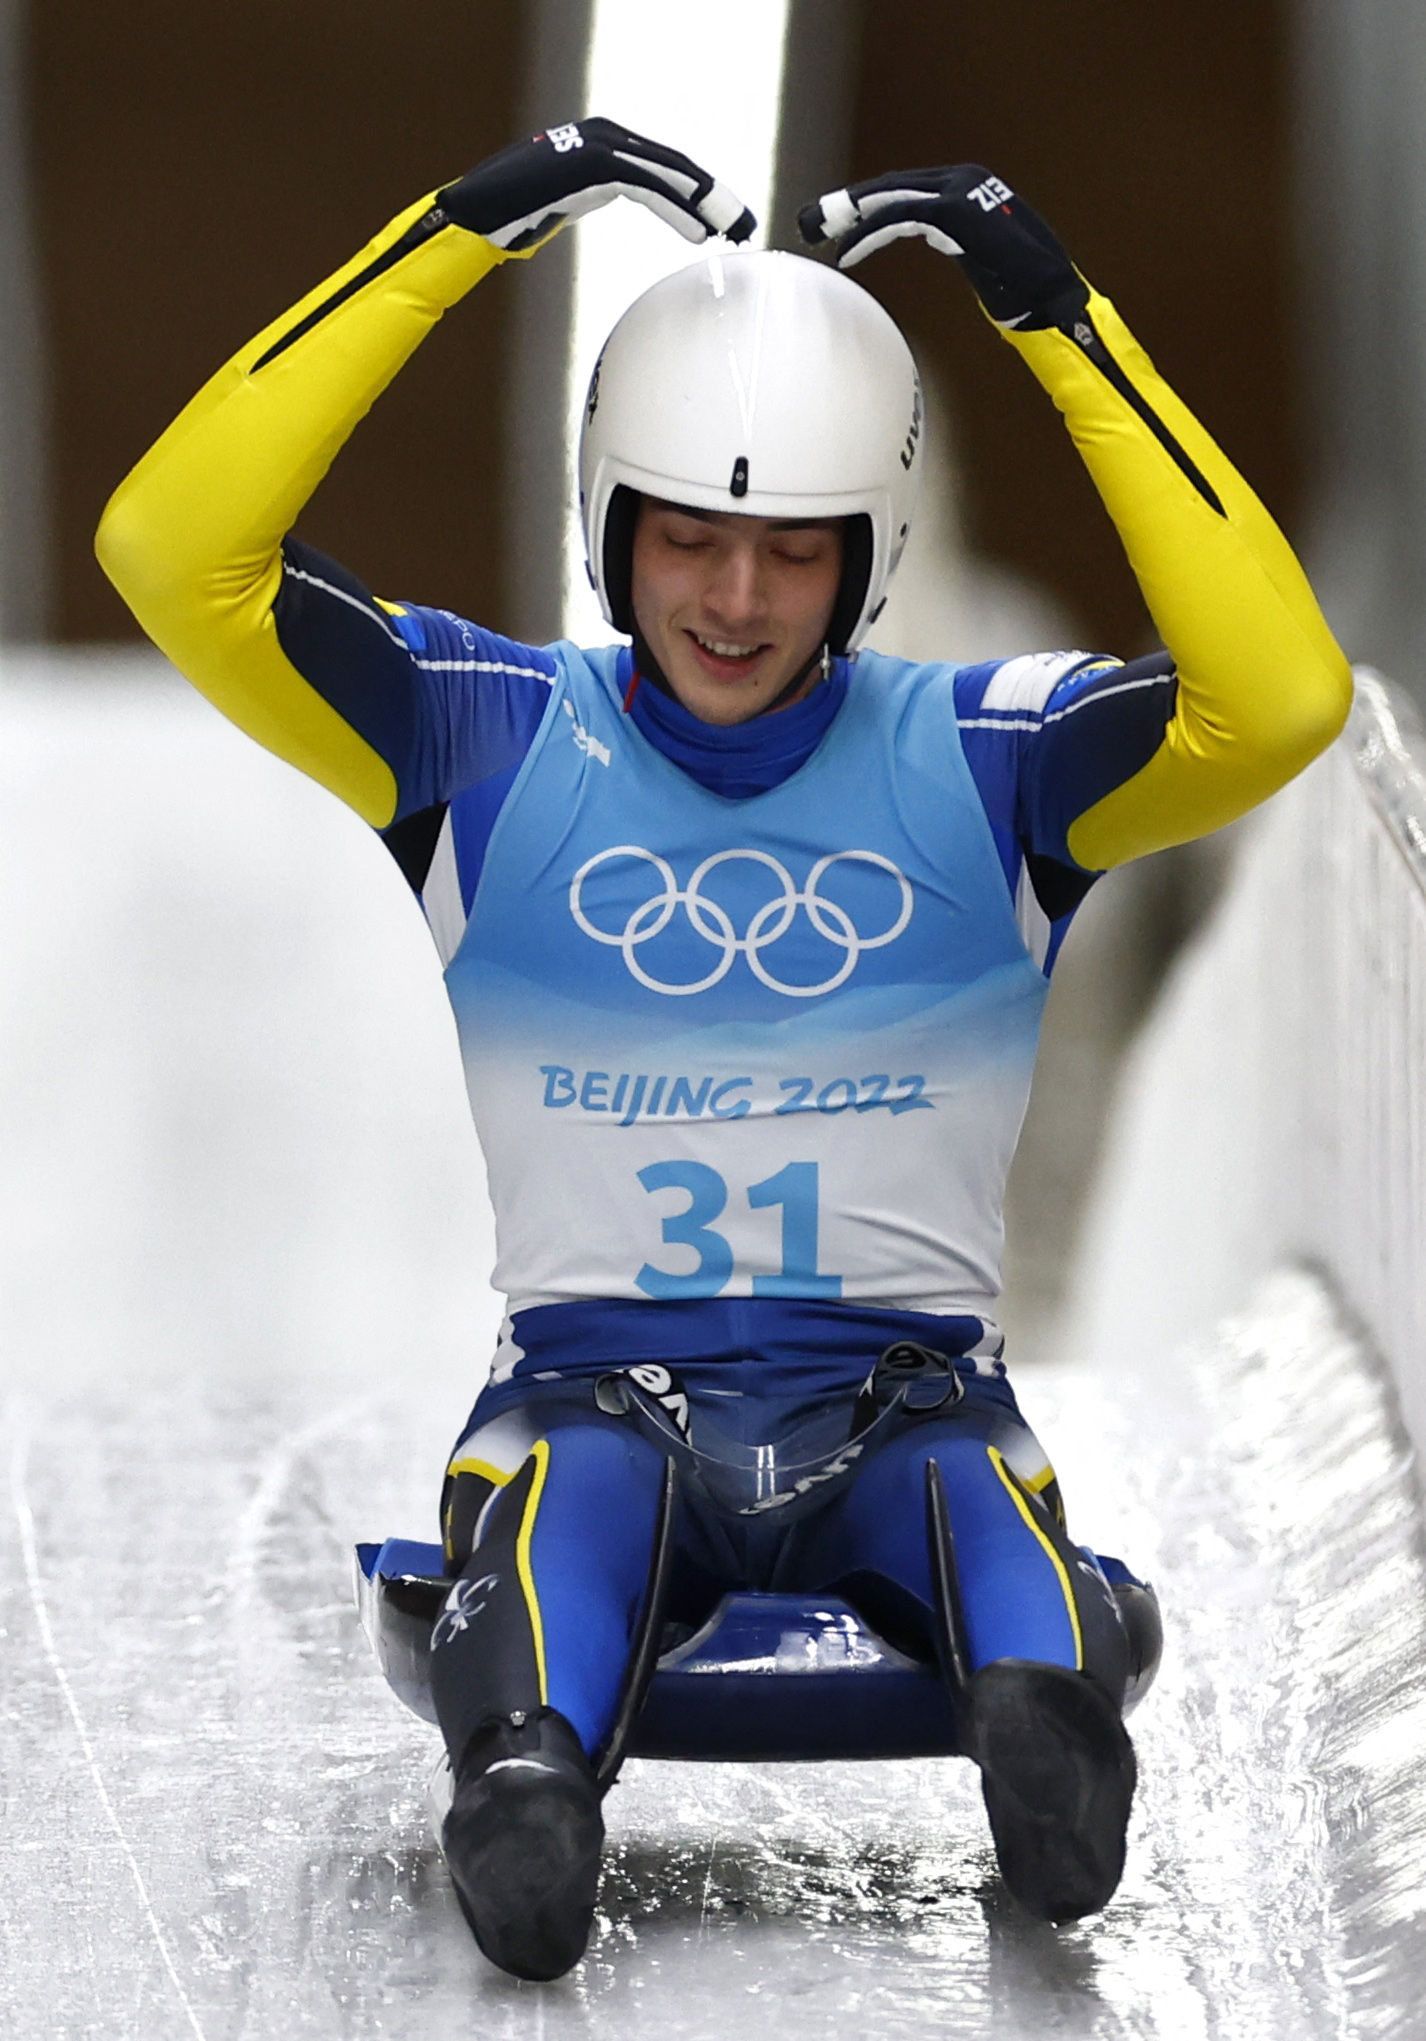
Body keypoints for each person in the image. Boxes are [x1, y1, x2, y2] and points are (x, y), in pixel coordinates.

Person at [96, 118, 1351, 1980]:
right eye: (687, 536)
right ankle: (524, 1777)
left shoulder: (995, 753)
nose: (734, 602)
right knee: (554, 1503)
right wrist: (467, 229)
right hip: (598, 1406)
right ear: (611, 524)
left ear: (871, 551)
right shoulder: (483, 733)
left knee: (984, 1513)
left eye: (789, 548)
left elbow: (1282, 696)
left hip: (909, 1410)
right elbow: (170, 546)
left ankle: (1044, 1727)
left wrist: (1055, 314)